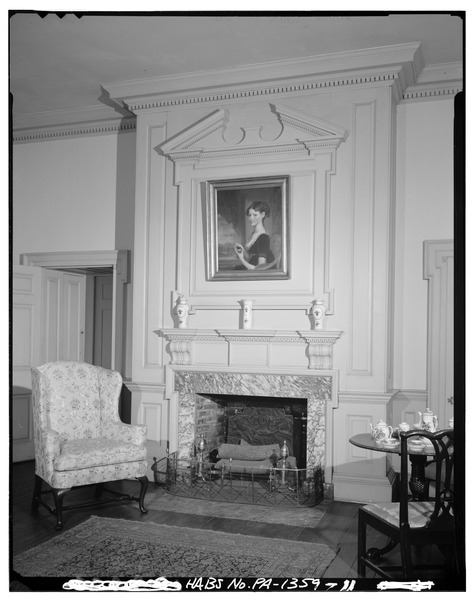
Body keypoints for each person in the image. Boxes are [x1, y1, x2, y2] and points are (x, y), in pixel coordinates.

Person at [234, 201, 278, 270]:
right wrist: (243, 252)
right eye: (249, 215)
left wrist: (241, 258)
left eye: (255, 215)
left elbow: (260, 268)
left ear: (263, 215)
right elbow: (253, 256)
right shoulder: (253, 234)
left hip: (261, 274)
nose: (251, 218)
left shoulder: (264, 237)